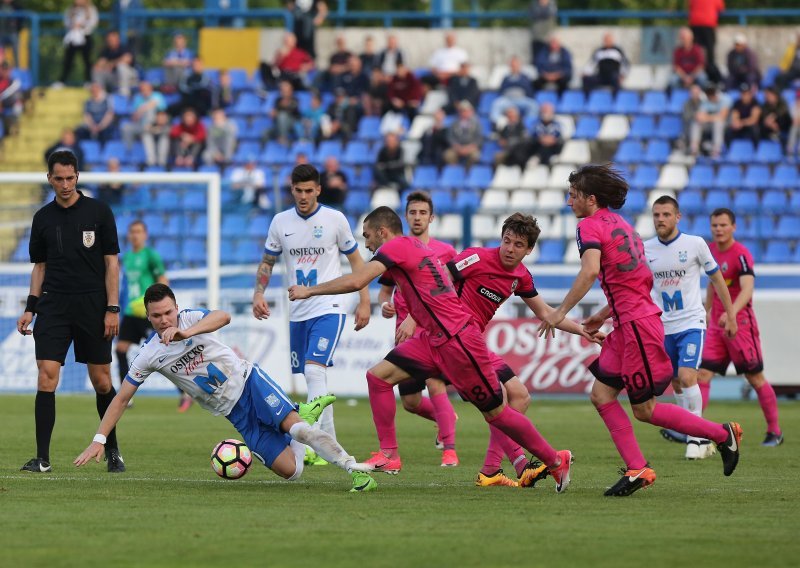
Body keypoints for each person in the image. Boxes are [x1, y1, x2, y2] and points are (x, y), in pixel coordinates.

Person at [289, 206, 575, 493]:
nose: (367, 244)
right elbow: (441, 280)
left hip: (458, 340)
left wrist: (308, 290)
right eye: (508, 241)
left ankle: (554, 460)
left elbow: (357, 279)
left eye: (367, 236)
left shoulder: (398, 246)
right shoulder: (416, 246)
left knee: (497, 412)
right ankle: (389, 455)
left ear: (382, 232)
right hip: (433, 338)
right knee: (378, 377)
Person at [539, 164, 743, 496]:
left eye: (573, 195)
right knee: (601, 395)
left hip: (637, 327)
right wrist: (606, 313)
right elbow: (638, 282)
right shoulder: (624, 226)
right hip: (628, 322)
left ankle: (722, 435)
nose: (568, 201)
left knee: (644, 410)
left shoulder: (589, 226)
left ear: (591, 199)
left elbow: (590, 271)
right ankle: (638, 468)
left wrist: (560, 312)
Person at [74, 283, 377, 493]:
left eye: (168, 312)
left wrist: (186, 332)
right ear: (148, 317)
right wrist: (99, 439)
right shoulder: (150, 355)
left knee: (298, 431)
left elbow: (224, 316)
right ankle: (301, 417)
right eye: (156, 316)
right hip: (234, 413)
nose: (164, 319)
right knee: (293, 472)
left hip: (249, 384)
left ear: (176, 307)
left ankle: (355, 470)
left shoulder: (190, 318)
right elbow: (121, 397)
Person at [446, 213, 601, 487]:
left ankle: (492, 471)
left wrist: (583, 330)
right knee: (500, 397)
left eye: (518, 244)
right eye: (507, 241)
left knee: (520, 396)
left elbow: (544, 312)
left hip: (474, 343)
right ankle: (520, 462)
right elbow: (439, 279)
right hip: (451, 339)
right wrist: (413, 316)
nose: (510, 248)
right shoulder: (476, 257)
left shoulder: (520, 277)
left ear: (529, 250)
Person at [252, 164, 371, 464]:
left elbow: (358, 263)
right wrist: (258, 293)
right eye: (298, 190)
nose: (303, 196)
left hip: (329, 305)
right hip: (298, 310)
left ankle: (317, 444)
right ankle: (326, 444)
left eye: (309, 190)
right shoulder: (280, 222)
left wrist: (364, 301)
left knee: (314, 369)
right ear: (291, 190)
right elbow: (268, 261)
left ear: (318, 189)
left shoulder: (335, 219)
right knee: (312, 376)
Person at [17, 150, 125, 473]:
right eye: (58, 178)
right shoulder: (42, 218)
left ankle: (113, 451)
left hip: (93, 305)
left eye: (70, 178)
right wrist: (30, 308)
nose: (65, 184)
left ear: (77, 176)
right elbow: (40, 267)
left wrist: (112, 308)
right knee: (46, 376)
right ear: (49, 178)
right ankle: (43, 459)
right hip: (53, 305)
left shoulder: (99, 212)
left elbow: (111, 264)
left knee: (102, 381)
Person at [643, 196, 737, 459]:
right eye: (656, 215)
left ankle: (696, 439)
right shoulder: (645, 249)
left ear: (677, 217)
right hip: (662, 326)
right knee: (675, 382)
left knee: (687, 376)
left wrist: (730, 315)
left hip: (691, 322)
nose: (660, 219)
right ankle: (696, 433)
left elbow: (717, 279)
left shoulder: (695, 244)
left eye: (666, 214)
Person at [376, 192, 460, 469]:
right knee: (410, 401)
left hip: (432, 330)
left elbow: (452, 292)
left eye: (423, 213)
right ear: (406, 216)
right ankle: (445, 417)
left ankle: (449, 452)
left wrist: (415, 316)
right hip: (404, 333)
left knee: (435, 383)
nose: (417, 217)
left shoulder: (445, 252)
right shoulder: (397, 249)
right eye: (412, 212)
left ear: (431, 218)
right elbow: (386, 289)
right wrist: (385, 305)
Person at [697, 208, 784, 447]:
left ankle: (774, 431)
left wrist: (731, 312)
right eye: (715, 225)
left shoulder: (741, 254)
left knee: (754, 377)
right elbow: (713, 286)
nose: (719, 229)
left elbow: (747, 289)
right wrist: (706, 311)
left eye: (723, 225)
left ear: (733, 227)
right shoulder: (711, 250)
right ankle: (696, 432)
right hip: (716, 325)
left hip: (740, 323)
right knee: (702, 375)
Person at [56, 0, 98, 87]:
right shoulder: (70, 9)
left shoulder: (90, 9)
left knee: (86, 60)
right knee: (69, 59)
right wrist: (73, 26)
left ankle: (88, 81)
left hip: (85, 36)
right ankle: (62, 81)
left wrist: (82, 26)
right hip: (73, 36)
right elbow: (66, 21)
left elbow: (93, 22)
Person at [489, 56, 538, 124]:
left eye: (516, 65)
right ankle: (498, 125)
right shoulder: (506, 78)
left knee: (533, 105)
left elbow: (529, 91)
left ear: (519, 66)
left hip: (521, 100)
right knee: (496, 104)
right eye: (512, 65)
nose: (514, 67)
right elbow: (502, 90)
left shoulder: (524, 78)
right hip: (507, 100)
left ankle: (527, 126)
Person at [689, 83, 731, 158]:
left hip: (726, 124)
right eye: (709, 93)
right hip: (709, 124)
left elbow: (722, 117)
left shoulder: (725, 99)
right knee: (696, 123)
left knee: (718, 123)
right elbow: (699, 116)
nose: (711, 95)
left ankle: (716, 150)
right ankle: (694, 148)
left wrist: (707, 117)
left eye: (712, 93)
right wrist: (711, 117)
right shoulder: (705, 100)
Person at [92, 30, 138, 96]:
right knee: (97, 70)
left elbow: (127, 59)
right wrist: (106, 66)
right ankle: (101, 95)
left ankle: (124, 95)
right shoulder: (106, 51)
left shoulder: (124, 48)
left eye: (112, 39)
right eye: (109, 39)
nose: (110, 41)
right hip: (114, 77)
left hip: (130, 77)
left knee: (121, 67)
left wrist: (111, 64)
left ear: (117, 39)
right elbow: (99, 64)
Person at [688, 0, 724, 84]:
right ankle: (710, 76)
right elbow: (721, 8)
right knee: (710, 52)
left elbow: (690, 6)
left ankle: (696, 72)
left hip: (695, 23)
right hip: (708, 23)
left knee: (695, 50)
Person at [443, 100, 483, 167]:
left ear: (470, 111)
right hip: (457, 147)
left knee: (475, 155)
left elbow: (479, 138)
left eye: (466, 110)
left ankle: (469, 172)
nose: (464, 113)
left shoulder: (476, 123)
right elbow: (450, 137)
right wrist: (457, 147)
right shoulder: (454, 123)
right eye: (462, 111)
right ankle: (455, 172)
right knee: (448, 155)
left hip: (471, 147)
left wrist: (470, 147)